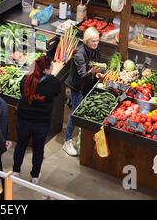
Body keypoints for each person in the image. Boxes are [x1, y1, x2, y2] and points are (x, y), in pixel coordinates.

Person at [12, 56, 61, 184]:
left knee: (21, 145)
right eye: (51, 66)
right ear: (46, 69)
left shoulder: (26, 79)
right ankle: (34, 176)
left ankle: (16, 171)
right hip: (41, 122)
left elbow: (22, 92)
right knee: (38, 149)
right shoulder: (54, 83)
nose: (52, 69)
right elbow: (55, 94)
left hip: (23, 119)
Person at [64, 27, 103, 156]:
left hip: (88, 84)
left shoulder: (95, 49)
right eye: (93, 41)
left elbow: (93, 65)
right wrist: (92, 72)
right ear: (86, 41)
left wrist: (97, 75)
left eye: (97, 40)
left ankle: (81, 135)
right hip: (78, 87)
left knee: (81, 112)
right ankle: (67, 141)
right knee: (76, 113)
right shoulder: (78, 54)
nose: (96, 43)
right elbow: (83, 75)